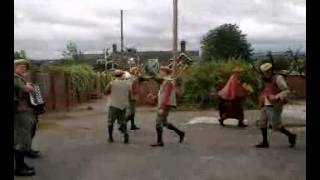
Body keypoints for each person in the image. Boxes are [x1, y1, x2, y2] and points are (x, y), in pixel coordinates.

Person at [255, 63, 297, 148]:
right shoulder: (263, 79)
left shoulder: (278, 78)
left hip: (275, 104)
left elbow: (286, 90)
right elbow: (263, 89)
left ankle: (291, 135)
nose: (266, 73)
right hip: (265, 103)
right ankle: (265, 142)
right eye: (264, 72)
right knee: (262, 123)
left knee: (275, 125)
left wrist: (276, 97)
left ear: (271, 70)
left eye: (268, 71)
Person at [149, 66, 185, 147]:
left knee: (158, 123)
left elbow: (166, 96)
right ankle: (180, 133)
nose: (160, 73)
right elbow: (162, 95)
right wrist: (154, 97)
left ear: (165, 72)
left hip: (164, 105)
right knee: (164, 122)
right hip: (164, 104)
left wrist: (162, 107)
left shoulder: (168, 82)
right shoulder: (165, 81)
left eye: (161, 72)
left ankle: (160, 142)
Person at [14, 59, 36, 176]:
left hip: (23, 111)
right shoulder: (15, 78)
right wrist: (28, 86)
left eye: (25, 68)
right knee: (21, 140)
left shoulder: (20, 78)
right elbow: (27, 89)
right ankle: (19, 169)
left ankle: (21, 165)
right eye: (21, 67)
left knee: (23, 138)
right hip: (19, 112)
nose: (24, 69)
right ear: (14, 67)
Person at [104, 70, 131, 144]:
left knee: (110, 122)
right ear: (122, 75)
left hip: (113, 105)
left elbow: (105, 92)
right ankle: (125, 134)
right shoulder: (128, 84)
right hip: (123, 105)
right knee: (123, 121)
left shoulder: (112, 83)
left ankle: (110, 137)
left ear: (115, 75)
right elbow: (130, 95)